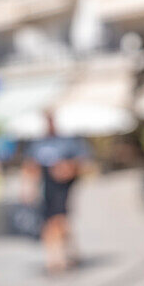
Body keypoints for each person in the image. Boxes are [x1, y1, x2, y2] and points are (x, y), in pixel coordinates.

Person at [25, 114, 89, 274]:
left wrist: (66, 168)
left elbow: (82, 161)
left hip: (63, 186)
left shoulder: (67, 141)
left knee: (59, 221)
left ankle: (62, 255)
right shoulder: (39, 143)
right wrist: (29, 188)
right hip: (47, 185)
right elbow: (31, 165)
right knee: (50, 222)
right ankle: (56, 257)